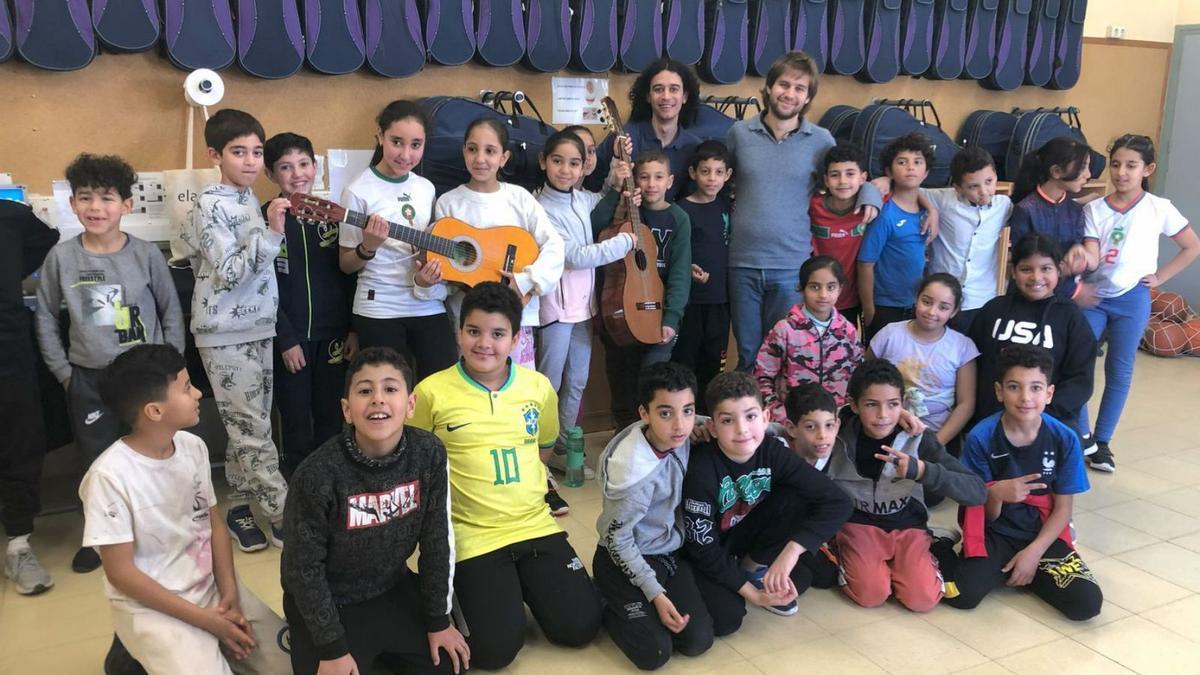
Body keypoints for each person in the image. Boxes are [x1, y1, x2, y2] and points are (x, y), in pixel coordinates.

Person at [410, 282, 602, 670]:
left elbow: (543, 449)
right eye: (474, 331)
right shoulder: (431, 392)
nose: (485, 344)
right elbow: (415, 466)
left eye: (498, 334)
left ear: (516, 338)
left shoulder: (538, 388)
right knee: (494, 652)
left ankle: (523, 580)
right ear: (459, 333)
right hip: (473, 534)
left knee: (580, 627)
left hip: (534, 525)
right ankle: (472, 590)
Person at [81, 344, 290, 674]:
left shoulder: (193, 447)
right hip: (154, 604)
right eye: (186, 388)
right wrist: (207, 622)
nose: (197, 394)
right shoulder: (109, 476)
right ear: (154, 411)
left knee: (291, 664)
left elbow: (214, 526)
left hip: (210, 588)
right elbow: (120, 573)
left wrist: (229, 594)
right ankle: (129, 653)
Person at [35, 153, 185, 573]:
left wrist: (170, 368)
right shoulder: (61, 259)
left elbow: (171, 310)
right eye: (85, 198)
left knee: (156, 453)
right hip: (89, 378)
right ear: (73, 205)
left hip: (146, 377)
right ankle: (101, 541)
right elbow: (45, 315)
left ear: (126, 205)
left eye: (106, 197)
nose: (95, 207)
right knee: (98, 463)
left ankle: (162, 532)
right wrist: (64, 374)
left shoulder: (145, 256)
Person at [281, 347, 470, 675]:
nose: (378, 399)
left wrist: (438, 621)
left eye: (391, 389)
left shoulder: (428, 453)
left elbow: (437, 541)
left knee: (451, 666)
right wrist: (331, 648)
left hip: (390, 588)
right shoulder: (317, 474)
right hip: (331, 599)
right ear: (346, 409)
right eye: (365, 390)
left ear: (410, 404)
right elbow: (303, 569)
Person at [174, 109, 290, 552]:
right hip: (224, 331)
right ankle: (284, 514)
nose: (250, 161)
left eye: (257, 152)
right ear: (214, 155)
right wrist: (274, 233)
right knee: (252, 430)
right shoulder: (209, 204)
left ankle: (242, 506)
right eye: (238, 152)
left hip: (258, 325)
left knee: (251, 424)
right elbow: (228, 270)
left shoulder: (245, 199)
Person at [726, 50, 880, 371]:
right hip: (742, 264)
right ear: (769, 88)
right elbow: (716, 180)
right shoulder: (739, 134)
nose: (790, 94)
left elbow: (848, 173)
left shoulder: (821, 140)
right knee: (748, 354)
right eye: (784, 84)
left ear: (808, 97)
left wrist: (870, 194)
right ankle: (752, 421)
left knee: (785, 354)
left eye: (800, 88)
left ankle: (781, 421)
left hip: (790, 266)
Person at [682, 371, 852, 635]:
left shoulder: (772, 451)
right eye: (728, 420)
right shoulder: (702, 469)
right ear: (712, 427)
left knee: (802, 500)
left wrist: (790, 552)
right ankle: (745, 576)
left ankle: (754, 567)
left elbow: (838, 501)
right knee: (728, 619)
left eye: (750, 417)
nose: (742, 429)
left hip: (743, 536)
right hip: (707, 549)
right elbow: (703, 549)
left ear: (765, 417)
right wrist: (753, 595)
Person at [942, 344, 1102, 621]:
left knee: (1086, 604)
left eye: (1036, 388)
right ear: (999, 391)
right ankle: (941, 546)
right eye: (1014, 387)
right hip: (997, 533)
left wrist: (1033, 554)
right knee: (961, 595)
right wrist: (996, 494)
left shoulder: (1065, 438)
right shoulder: (982, 436)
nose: (1025, 397)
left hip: (1043, 533)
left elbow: (1063, 510)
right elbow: (979, 511)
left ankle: (1026, 570)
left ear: (1049, 393)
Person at [1079, 134, 1200, 472]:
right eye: (1116, 164)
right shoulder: (1093, 209)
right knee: (1077, 363)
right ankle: (1081, 436)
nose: (1121, 173)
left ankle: (1102, 442)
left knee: (1120, 370)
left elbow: (1192, 245)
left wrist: (1159, 278)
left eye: (1131, 166)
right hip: (1094, 298)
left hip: (1132, 299)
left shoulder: (1159, 207)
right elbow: (1090, 253)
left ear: (1148, 169)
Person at [829, 360, 986, 612]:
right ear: (854, 405)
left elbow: (977, 491)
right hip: (858, 525)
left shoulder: (918, 437)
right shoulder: (834, 432)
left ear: (903, 404)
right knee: (871, 594)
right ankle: (845, 554)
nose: (883, 415)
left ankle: (935, 545)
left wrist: (923, 470)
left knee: (922, 600)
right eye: (871, 404)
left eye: (893, 405)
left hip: (908, 525)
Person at [594, 362, 714, 670]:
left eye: (687, 410)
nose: (680, 425)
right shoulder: (634, 469)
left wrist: (772, 430)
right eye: (665, 413)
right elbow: (618, 540)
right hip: (622, 557)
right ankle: (607, 600)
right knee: (654, 652)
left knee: (697, 640)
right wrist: (656, 595)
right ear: (643, 413)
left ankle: (645, 602)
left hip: (668, 553)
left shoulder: (684, 431)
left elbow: (733, 422)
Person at [535, 129, 634, 477]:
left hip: (584, 309)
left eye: (574, 163)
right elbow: (573, 257)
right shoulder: (540, 207)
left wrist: (618, 168)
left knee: (576, 381)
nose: (565, 169)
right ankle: (538, 455)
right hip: (555, 311)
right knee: (548, 383)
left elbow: (605, 196)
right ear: (543, 162)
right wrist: (623, 244)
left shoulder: (581, 200)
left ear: (583, 167)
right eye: (558, 161)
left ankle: (561, 448)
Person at [431, 118, 565, 369]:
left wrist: (524, 281)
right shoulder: (448, 203)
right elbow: (449, 271)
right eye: (472, 149)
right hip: (469, 321)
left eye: (490, 151)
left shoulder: (519, 198)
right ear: (464, 152)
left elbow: (555, 246)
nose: (480, 158)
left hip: (515, 318)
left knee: (517, 392)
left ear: (503, 158)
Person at [339, 100, 456, 384]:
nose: (406, 154)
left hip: (427, 301)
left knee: (443, 386)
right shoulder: (357, 191)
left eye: (416, 144)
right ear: (380, 136)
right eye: (396, 142)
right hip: (380, 307)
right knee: (391, 389)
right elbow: (345, 265)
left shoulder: (425, 188)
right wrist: (367, 247)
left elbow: (428, 247)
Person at [263, 132, 354, 480]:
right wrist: (285, 338)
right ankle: (299, 485)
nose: (297, 173)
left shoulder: (330, 216)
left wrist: (351, 330)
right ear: (271, 174)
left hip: (332, 336)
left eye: (303, 164)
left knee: (331, 415)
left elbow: (348, 277)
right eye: (285, 167)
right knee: (296, 417)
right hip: (291, 339)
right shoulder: (266, 220)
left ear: (315, 167)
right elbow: (262, 287)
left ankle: (331, 483)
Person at [591, 149, 693, 430]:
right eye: (644, 177)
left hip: (658, 311)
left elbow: (681, 272)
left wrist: (671, 318)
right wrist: (617, 193)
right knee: (619, 375)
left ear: (670, 181)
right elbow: (595, 225)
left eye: (658, 177)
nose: (651, 184)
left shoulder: (678, 218)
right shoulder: (625, 210)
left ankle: (650, 434)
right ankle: (622, 435)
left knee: (652, 378)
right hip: (620, 307)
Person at [970, 234, 1097, 448]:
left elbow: (1080, 380)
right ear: (1013, 271)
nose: (1036, 277)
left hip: (1048, 420)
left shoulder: (1071, 318)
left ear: (1059, 270)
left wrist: (1039, 414)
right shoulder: (993, 310)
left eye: (1046, 268)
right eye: (1026, 269)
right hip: (992, 419)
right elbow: (972, 365)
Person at [1, 198, 59, 595]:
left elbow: (46, 240)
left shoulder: (10, 216)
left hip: (8, 346)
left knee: (19, 441)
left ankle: (18, 544)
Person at [867, 273, 979, 453]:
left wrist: (935, 444)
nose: (932, 312)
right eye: (926, 302)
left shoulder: (963, 347)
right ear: (916, 297)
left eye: (943, 307)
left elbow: (966, 404)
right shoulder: (889, 334)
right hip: (885, 430)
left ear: (954, 311)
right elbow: (865, 379)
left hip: (936, 436)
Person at [753, 256, 863, 421]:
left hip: (835, 422)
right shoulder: (785, 330)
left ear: (840, 289)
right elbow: (761, 377)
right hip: (792, 423)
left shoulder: (848, 331)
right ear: (802, 288)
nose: (823, 294)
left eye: (831, 287)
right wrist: (779, 413)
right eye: (814, 287)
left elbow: (857, 378)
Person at [924, 146, 1013, 332]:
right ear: (957, 187)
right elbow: (911, 189)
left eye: (989, 181)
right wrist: (931, 209)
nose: (984, 191)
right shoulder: (943, 200)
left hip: (984, 298)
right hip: (945, 298)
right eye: (973, 186)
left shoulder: (1004, 205)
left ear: (996, 175)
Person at [673, 140, 734, 415]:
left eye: (718, 172)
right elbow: (672, 256)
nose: (712, 178)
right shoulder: (681, 209)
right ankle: (684, 418)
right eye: (706, 171)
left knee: (713, 362)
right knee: (685, 362)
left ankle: (707, 420)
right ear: (692, 173)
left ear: (728, 175)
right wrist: (687, 269)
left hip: (721, 301)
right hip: (690, 303)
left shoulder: (727, 206)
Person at [589, 58, 703, 201]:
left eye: (674, 89)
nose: (666, 96)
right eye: (658, 89)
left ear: (685, 96)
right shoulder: (623, 137)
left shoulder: (694, 147)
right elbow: (591, 184)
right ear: (648, 96)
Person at [858, 133, 934, 345]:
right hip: (884, 306)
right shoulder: (885, 214)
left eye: (918, 162)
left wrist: (932, 210)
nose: (911, 167)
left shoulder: (926, 211)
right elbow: (865, 264)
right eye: (902, 162)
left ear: (926, 172)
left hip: (915, 304)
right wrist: (869, 309)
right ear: (889, 171)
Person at [1008, 137, 1095, 301]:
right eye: (1082, 167)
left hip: (1067, 295)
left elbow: (1078, 252)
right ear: (1056, 171)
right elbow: (1023, 260)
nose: (1088, 175)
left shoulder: (1076, 210)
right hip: (1030, 296)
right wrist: (1062, 270)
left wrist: (1079, 254)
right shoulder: (1025, 209)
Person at [810, 144, 870, 327]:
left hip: (853, 299)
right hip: (816, 298)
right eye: (835, 175)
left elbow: (908, 191)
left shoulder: (870, 206)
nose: (843, 181)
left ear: (863, 178)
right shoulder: (813, 206)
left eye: (850, 174)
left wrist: (931, 209)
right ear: (826, 180)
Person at [563, 124, 600, 190]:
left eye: (591, 151)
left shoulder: (589, 197)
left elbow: (605, 197)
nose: (587, 157)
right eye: (580, 151)